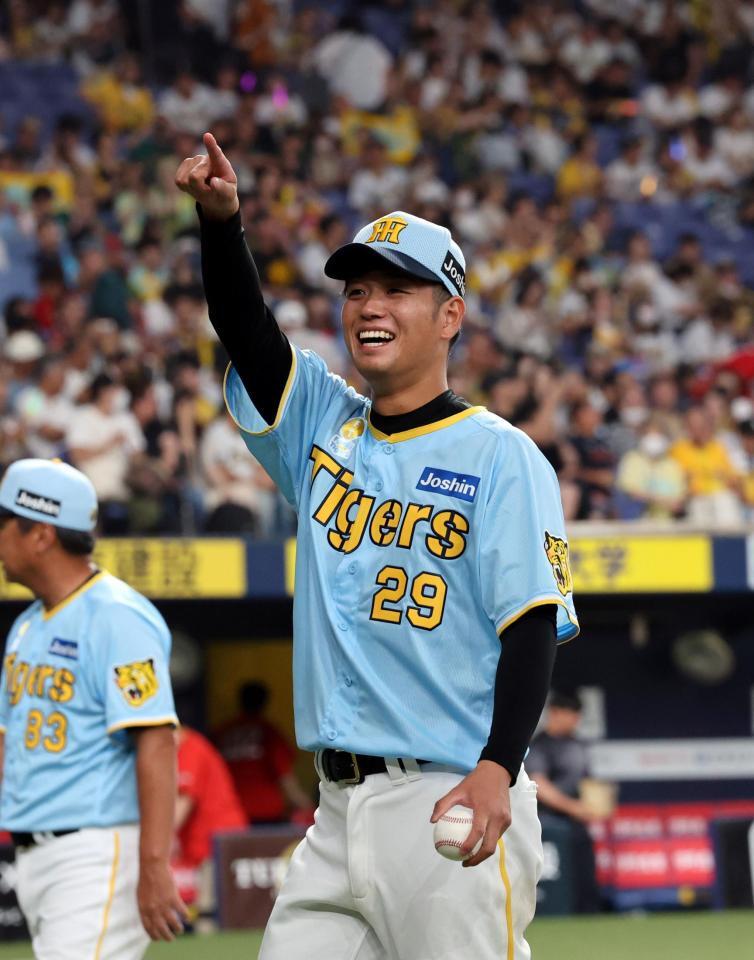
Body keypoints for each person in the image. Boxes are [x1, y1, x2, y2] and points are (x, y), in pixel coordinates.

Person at [176, 133, 579, 960]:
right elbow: (248, 333)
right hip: (334, 811)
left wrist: (499, 767)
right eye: (357, 289)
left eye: (398, 289)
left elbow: (532, 623)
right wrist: (222, 225)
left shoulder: (500, 454)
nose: (370, 306)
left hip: (449, 793)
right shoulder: (324, 423)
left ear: (450, 315)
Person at [0, 458, 188, 958]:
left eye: (4, 522)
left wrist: (154, 865)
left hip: (95, 852)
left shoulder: (117, 617)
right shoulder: (26, 626)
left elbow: (156, 740)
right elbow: (9, 743)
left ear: (41, 535)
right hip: (33, 854)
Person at [526, 690, 603, 914]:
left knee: (584, 883)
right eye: (570, 713)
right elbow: (539, 785)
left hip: (576, 825)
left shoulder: (578, 744)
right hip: (547, 825)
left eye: (577, 714)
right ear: (555, 712)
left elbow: (586, 782)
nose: (575, 720)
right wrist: (574, 807)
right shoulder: (539, 745)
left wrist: (596, 803)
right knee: (558, 891)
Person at [214, 681, 314, 825]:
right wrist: (311, 809)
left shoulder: (221, 733)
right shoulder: (268, 733)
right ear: (264, 702)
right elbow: (287, 781)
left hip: (229, 815)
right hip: (266, 816)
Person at [172, 726, 246, 913]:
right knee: (200, 908)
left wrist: (160, 841)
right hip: (202, 842)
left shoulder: (191, 748)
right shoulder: (183, 748)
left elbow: (182, 803)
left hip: (216, 840)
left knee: (208, 910)